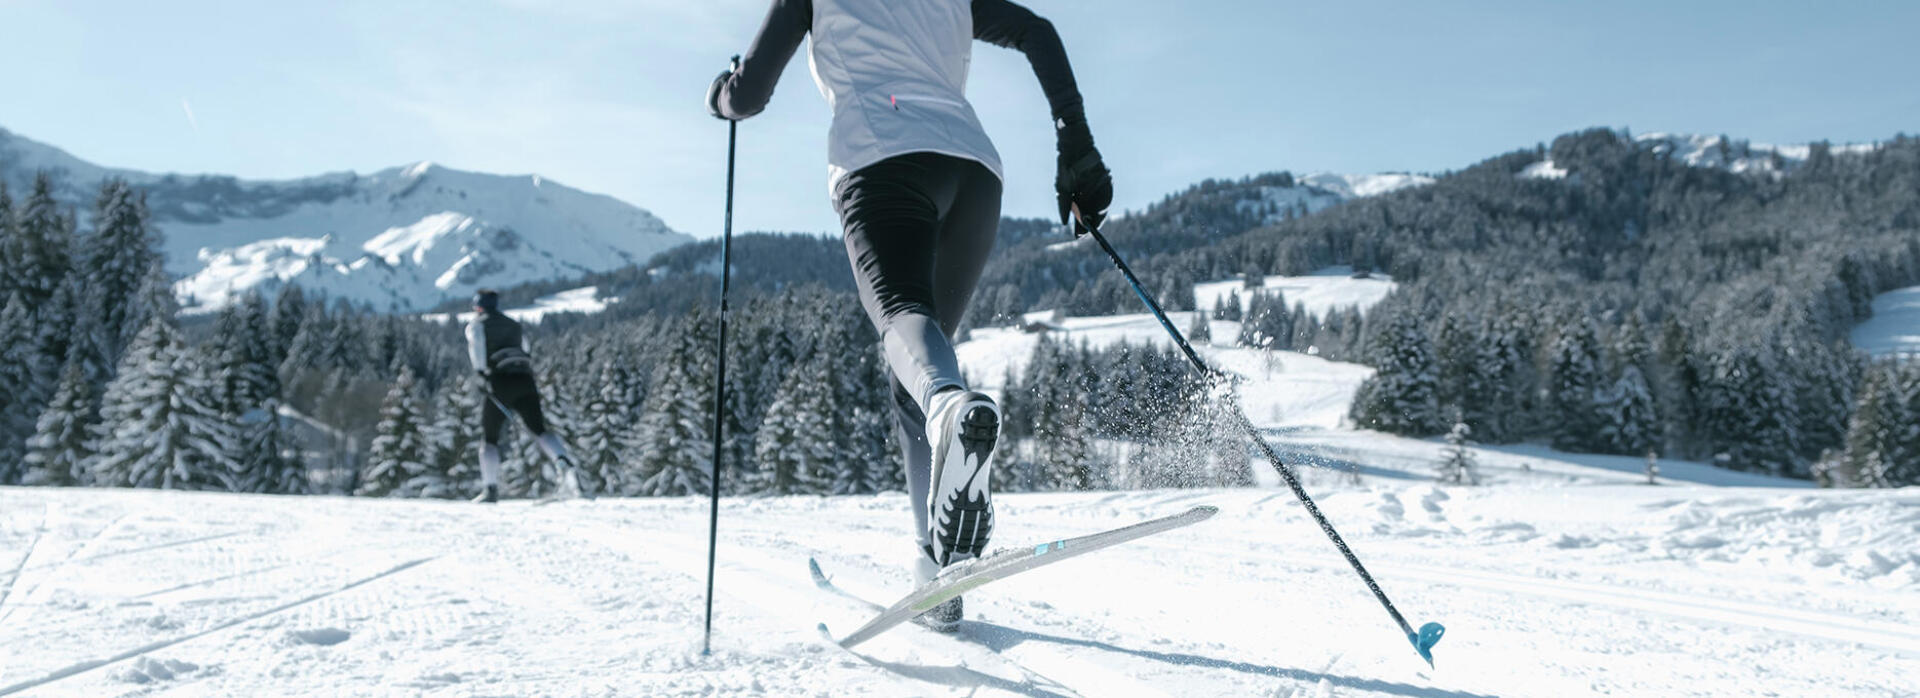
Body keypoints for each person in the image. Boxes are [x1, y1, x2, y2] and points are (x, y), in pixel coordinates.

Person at [707, 0, 1113, 629]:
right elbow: (1038, 31)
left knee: (904, 325)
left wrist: (721, 95)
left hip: (880, 155)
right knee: (916, 371)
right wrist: (1076, 145)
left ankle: (950, 407)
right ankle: (936, 569)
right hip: (974, 170)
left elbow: (751, 95)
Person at [465, 289, 582, 503]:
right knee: (539, 429)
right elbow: (525, 348)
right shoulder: (514, 325)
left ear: (479, 306)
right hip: (525, 379)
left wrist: (481, 375)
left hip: (498, 381)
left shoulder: (477, 325)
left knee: (489, 438)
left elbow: (477, 349)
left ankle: (490, 490)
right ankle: (566, 466)